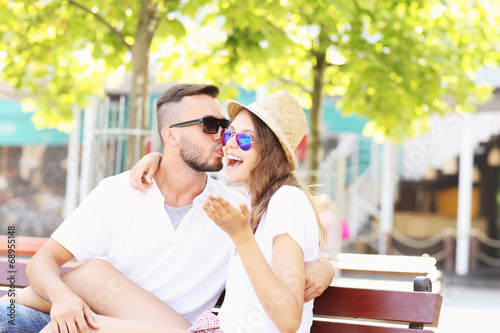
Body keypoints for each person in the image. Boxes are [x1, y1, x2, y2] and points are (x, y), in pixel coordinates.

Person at [0, 84, 333, 333]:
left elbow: (286, 244)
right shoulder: (123, 190)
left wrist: (324, 267)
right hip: (81, 309)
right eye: (213, 127)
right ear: (170, 137)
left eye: (229, 130)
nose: (223, 139)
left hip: (170, 328)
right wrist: (61, 297)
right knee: (14, 315)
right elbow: (41, 263)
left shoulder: (236, 210)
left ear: (269, 152)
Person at [135, 90, 326, 331]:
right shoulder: (252, 205)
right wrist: (155, 159)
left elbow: (289, 319)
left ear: (269, 151)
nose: (229, 145)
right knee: (93, 278)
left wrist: (241, 236)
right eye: (229, 134)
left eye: (245, 139)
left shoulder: (286, 201)